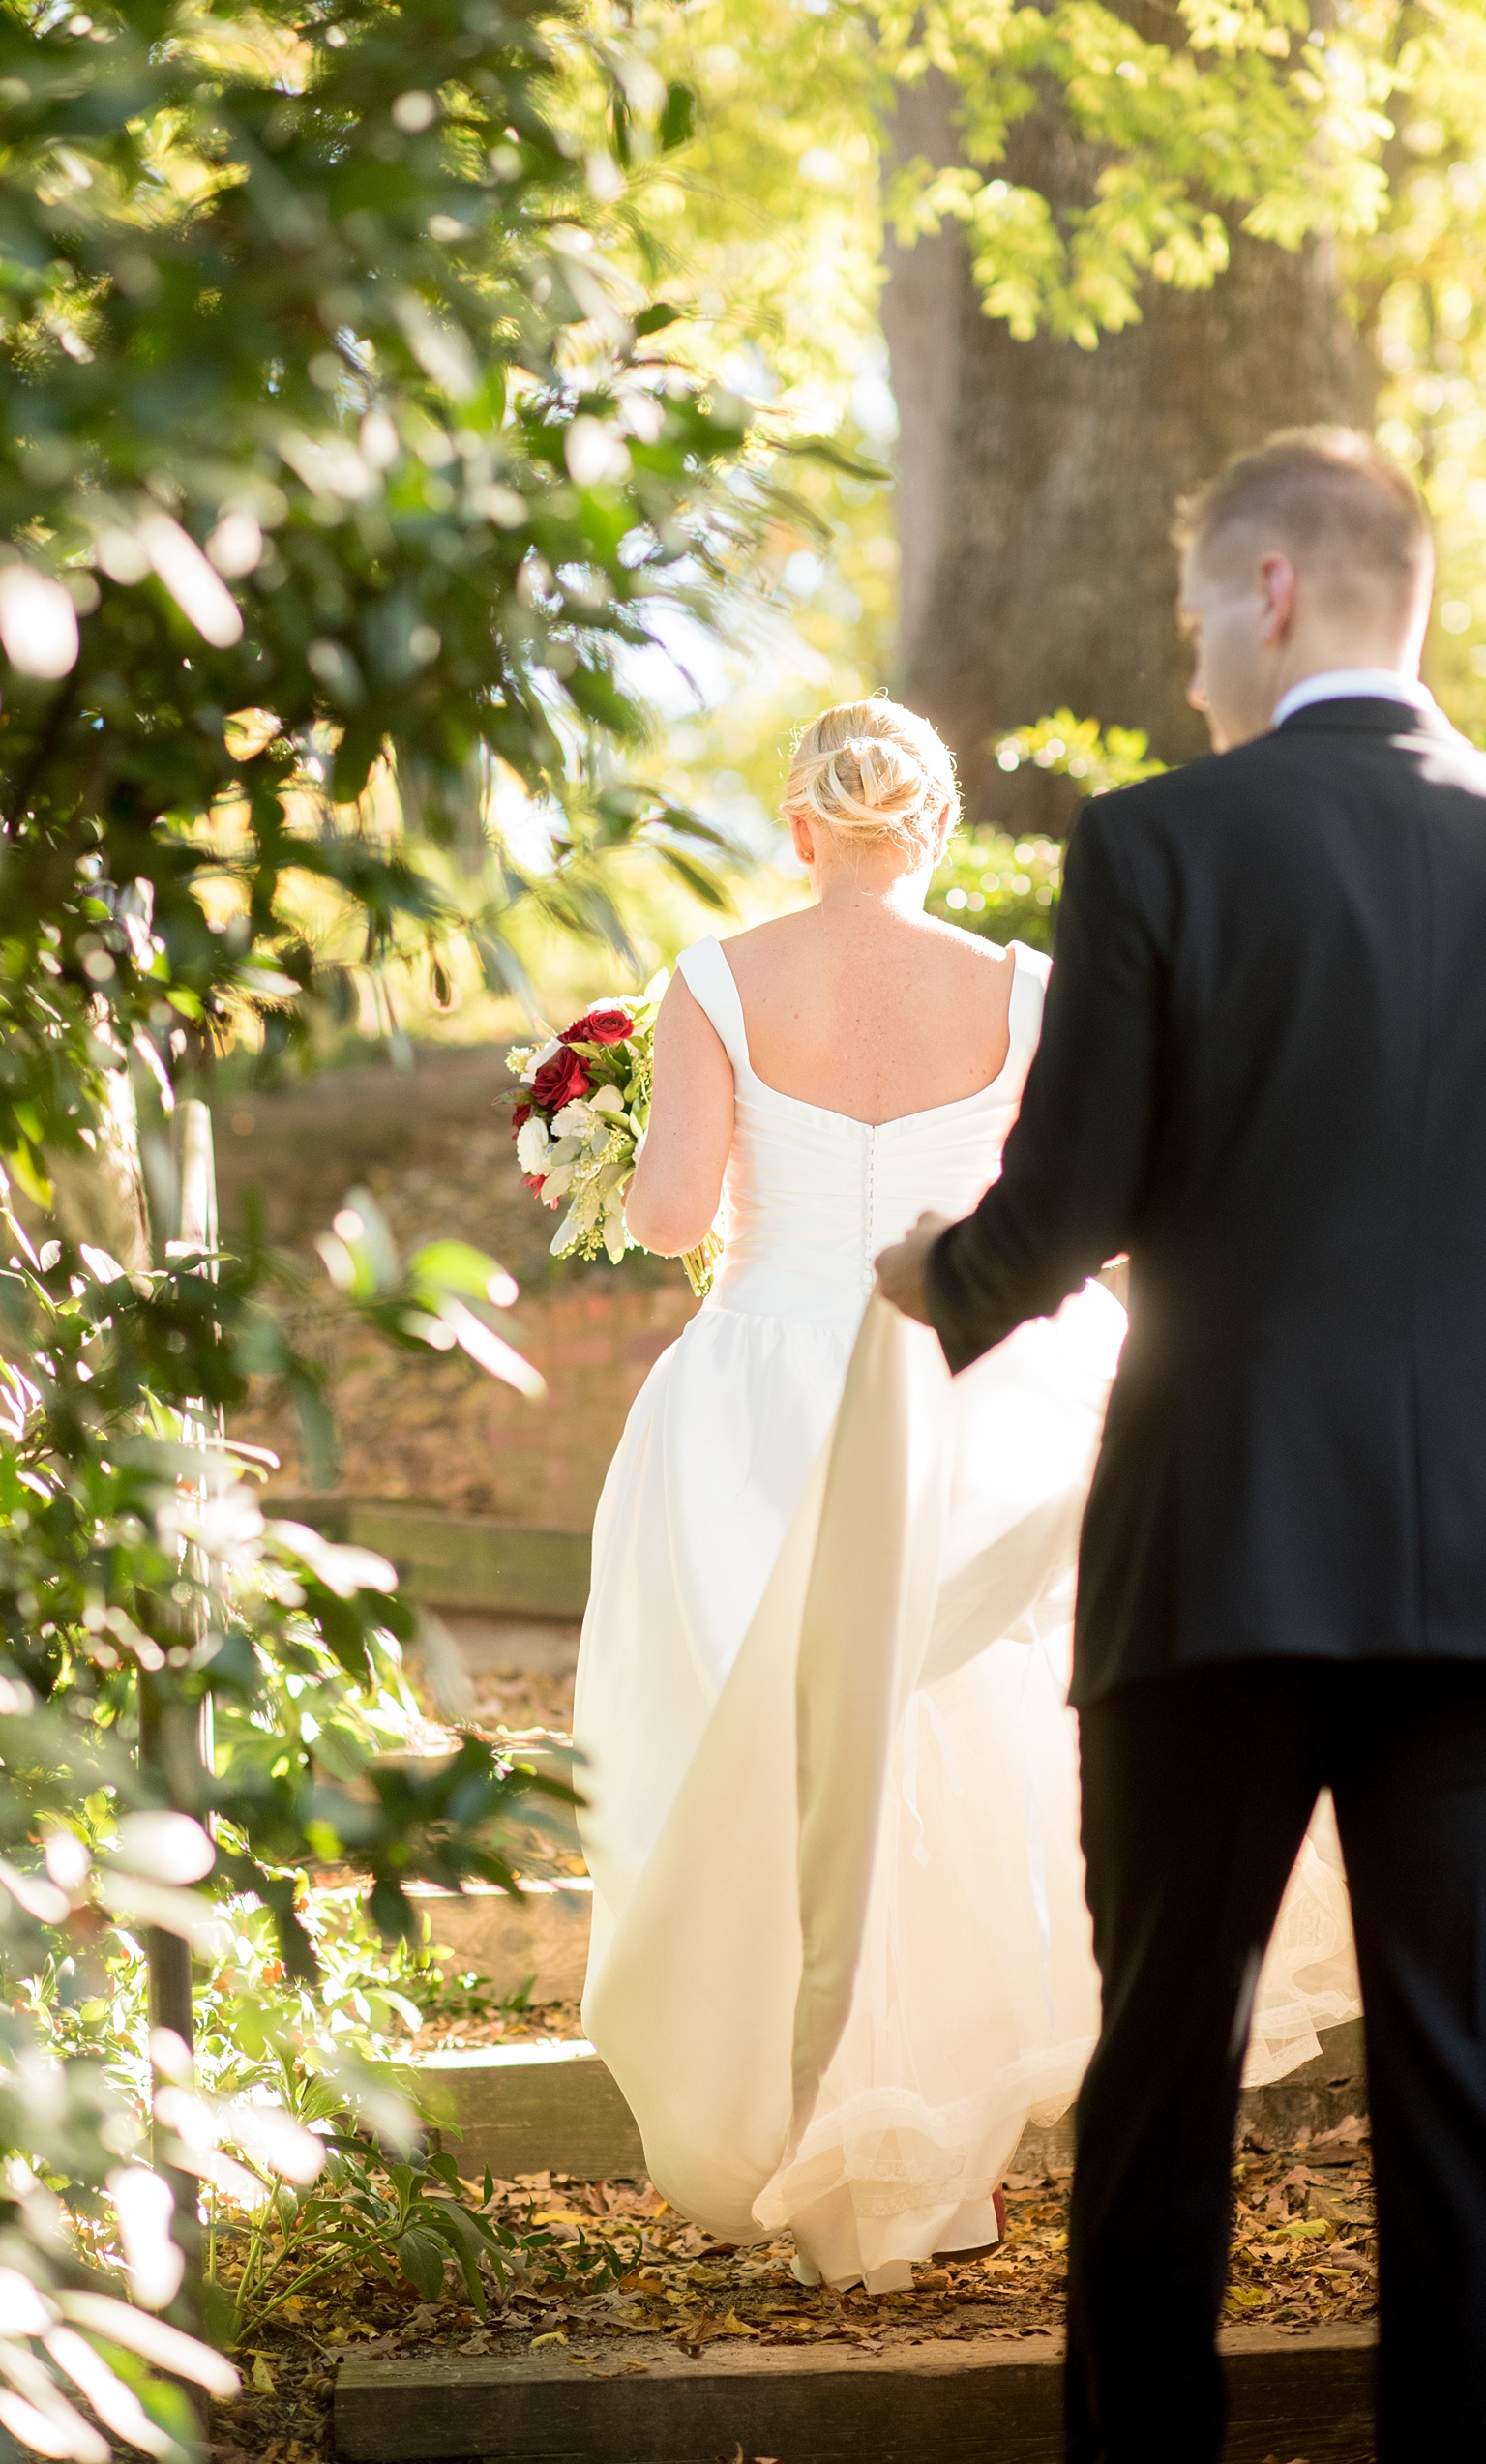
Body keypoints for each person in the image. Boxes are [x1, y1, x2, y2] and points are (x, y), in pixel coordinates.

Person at [574, 697, 1356, 2297]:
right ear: (930, 826)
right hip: (983, 1374)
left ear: (800, 827)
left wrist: (605, 1138)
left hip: (765, 1392)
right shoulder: (1029, 991)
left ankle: (832, 2136)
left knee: (782, 1751)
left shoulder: (717, 978)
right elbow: (1106, 1216)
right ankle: (945, 2146)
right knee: (972, 1736)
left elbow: (665, 1223)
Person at [877, 426, 1486, 2460]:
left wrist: (924, 1272)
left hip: (1213, 1547)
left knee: (1163, 2060)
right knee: (1462, 2075)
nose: (1190, 659)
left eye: (1194, 615)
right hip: (1476, 1568)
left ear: (1273, 593)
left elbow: (1067, 1207)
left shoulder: (1156, 841)